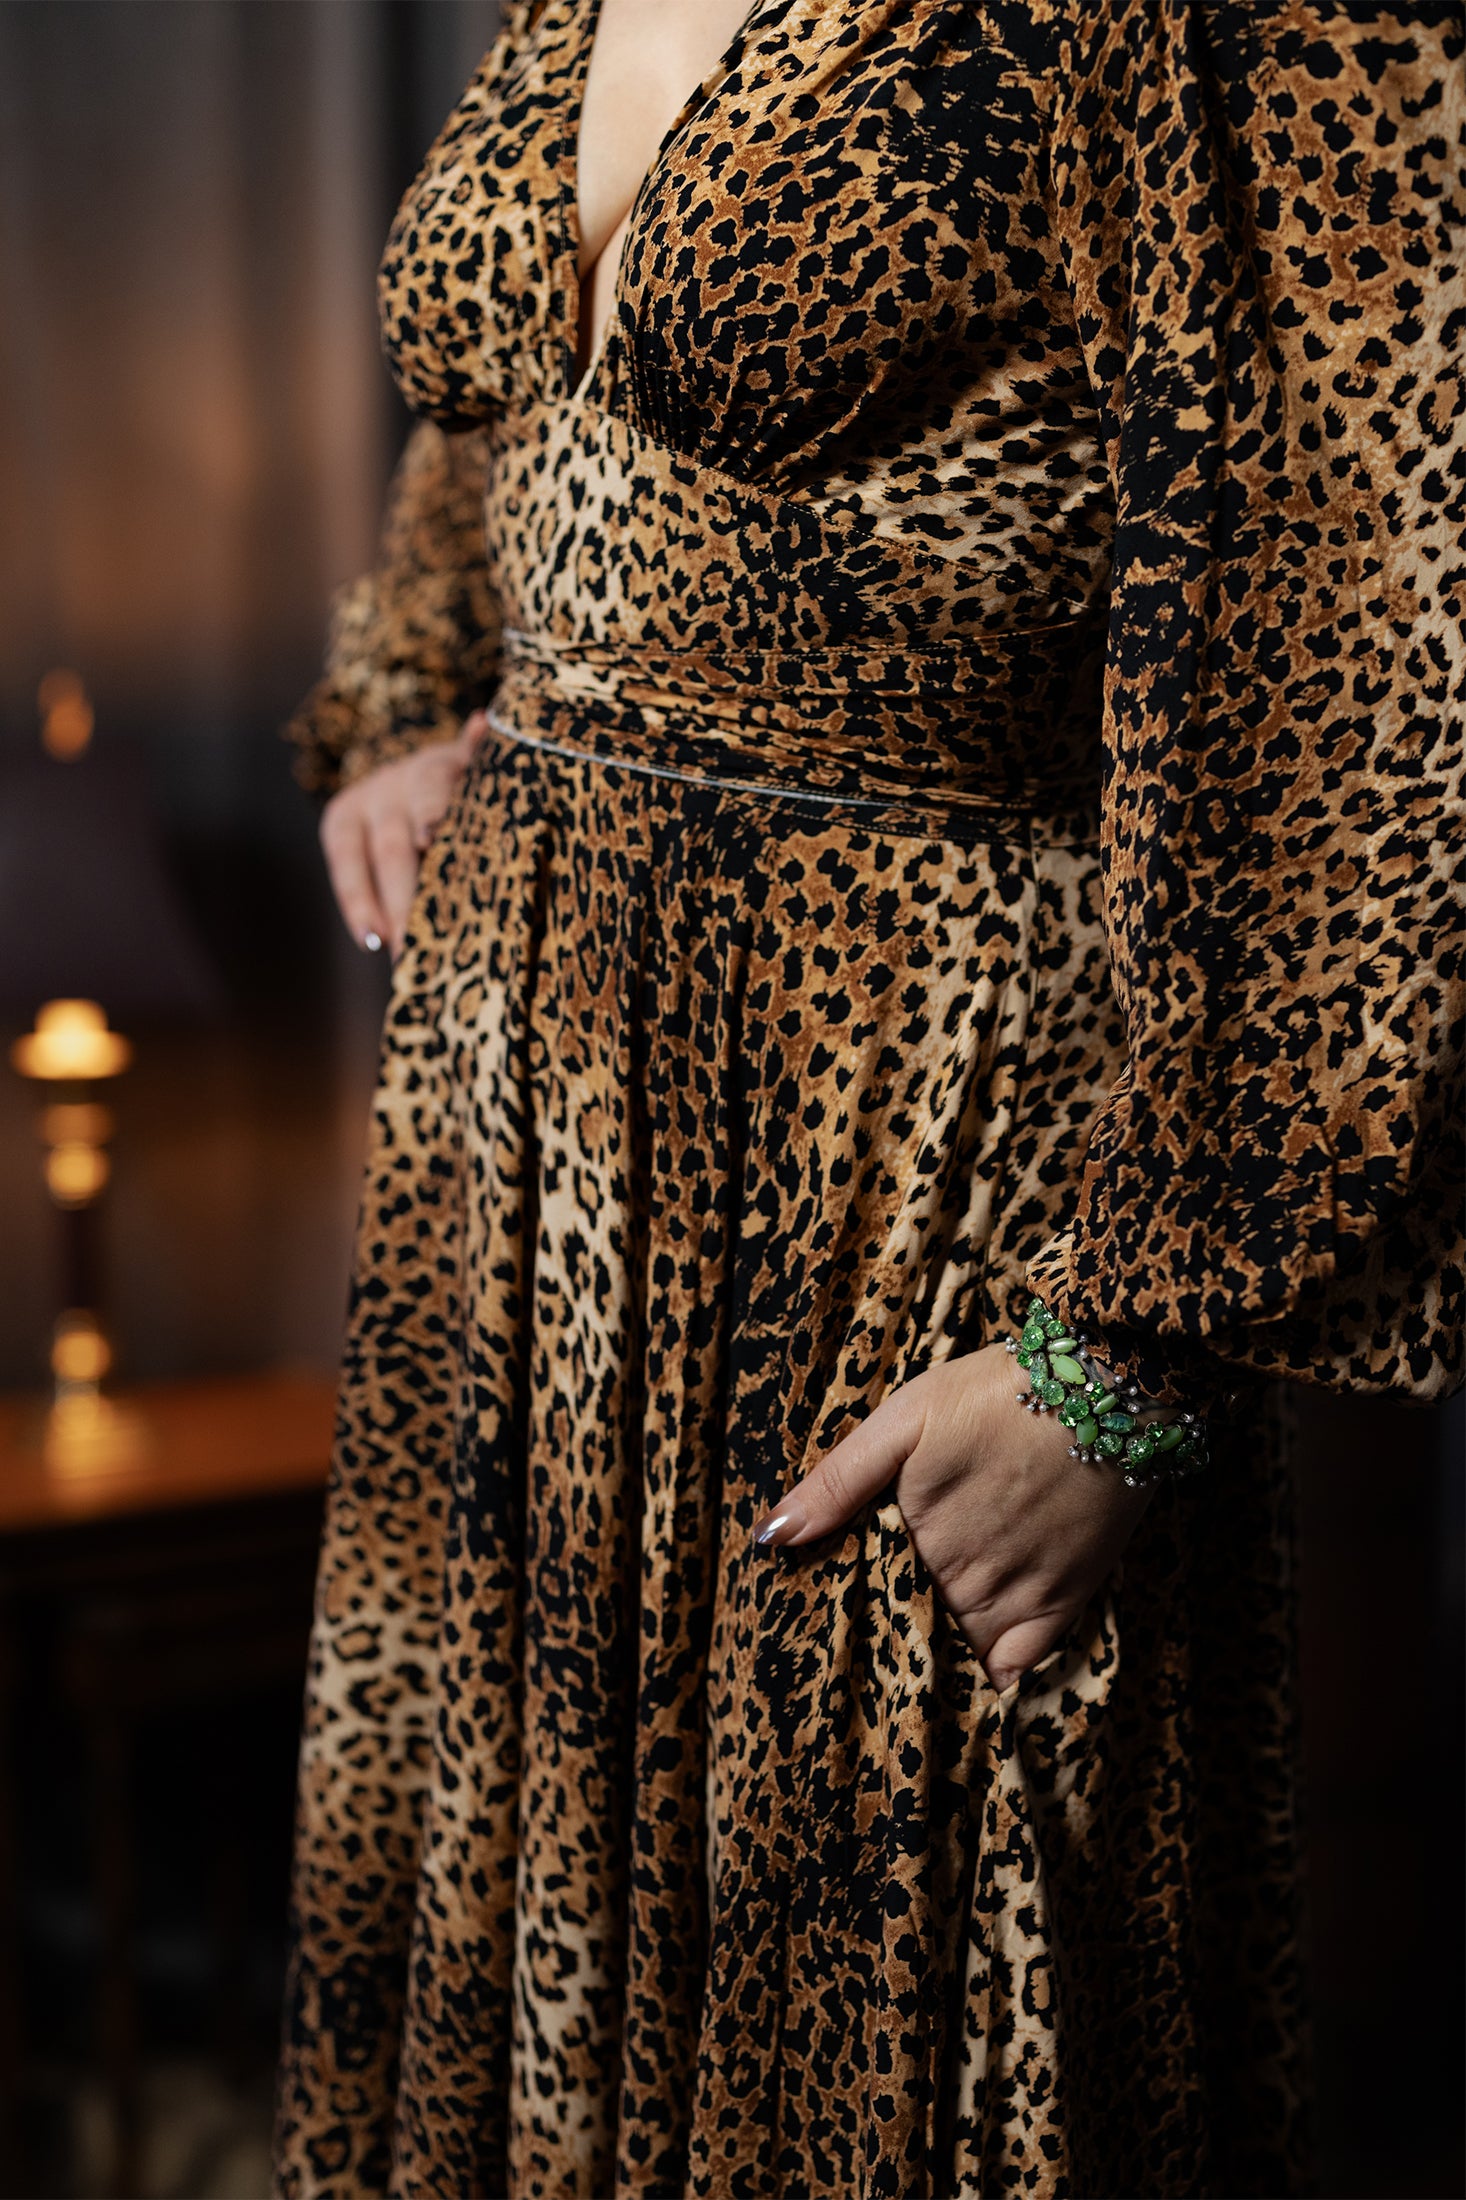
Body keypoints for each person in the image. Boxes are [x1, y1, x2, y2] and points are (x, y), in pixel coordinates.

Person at [274, 0, 1464, 2192]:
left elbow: (1364, 655)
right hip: (527, 1147)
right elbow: (501, 413)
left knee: (882, 2039)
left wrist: (1127, 1355)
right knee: (542, 1994)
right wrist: (426, 706)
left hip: (925, 1151)